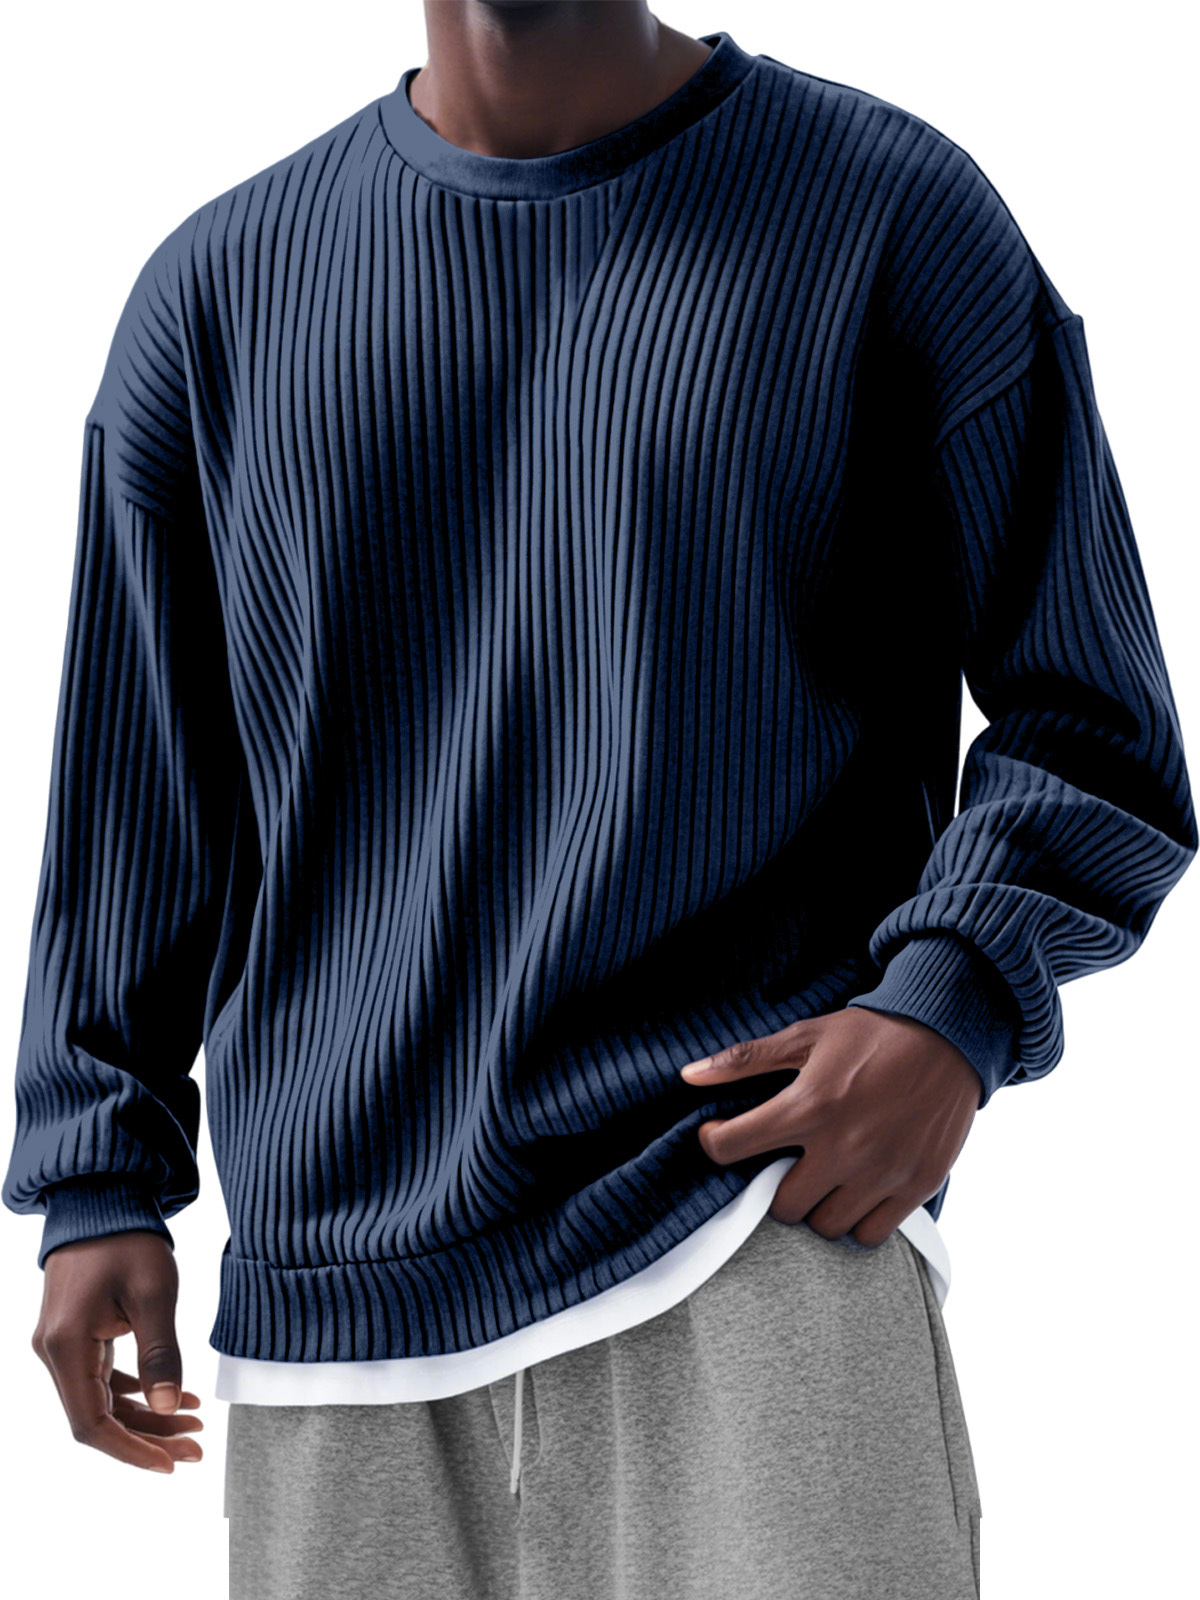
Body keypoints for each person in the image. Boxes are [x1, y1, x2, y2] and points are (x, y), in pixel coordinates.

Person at [5, 4, 1196, 1597]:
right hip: (338, 1314)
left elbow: (1093, 717)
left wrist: (953, 1004)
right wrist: (97, 1172)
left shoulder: (889, 214)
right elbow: (138, 802)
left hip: (752, 1223)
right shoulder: (215, 297)